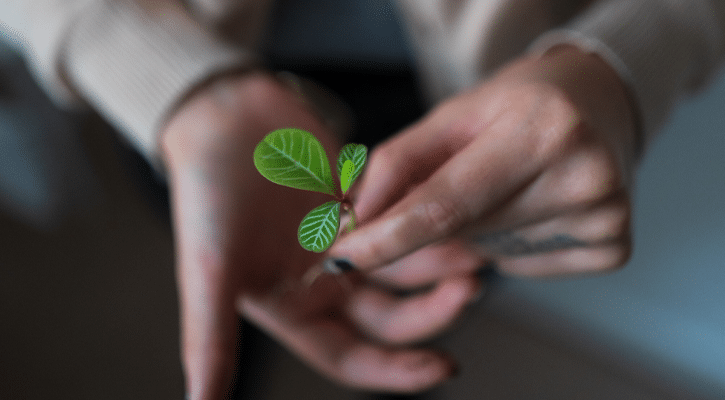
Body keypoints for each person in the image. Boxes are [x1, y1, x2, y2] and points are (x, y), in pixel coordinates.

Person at [3, 0, 725, 399]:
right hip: (189, 102)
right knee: (245, 288)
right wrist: (161, 79)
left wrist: (616, 64)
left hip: (495, 113)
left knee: (429, 289)